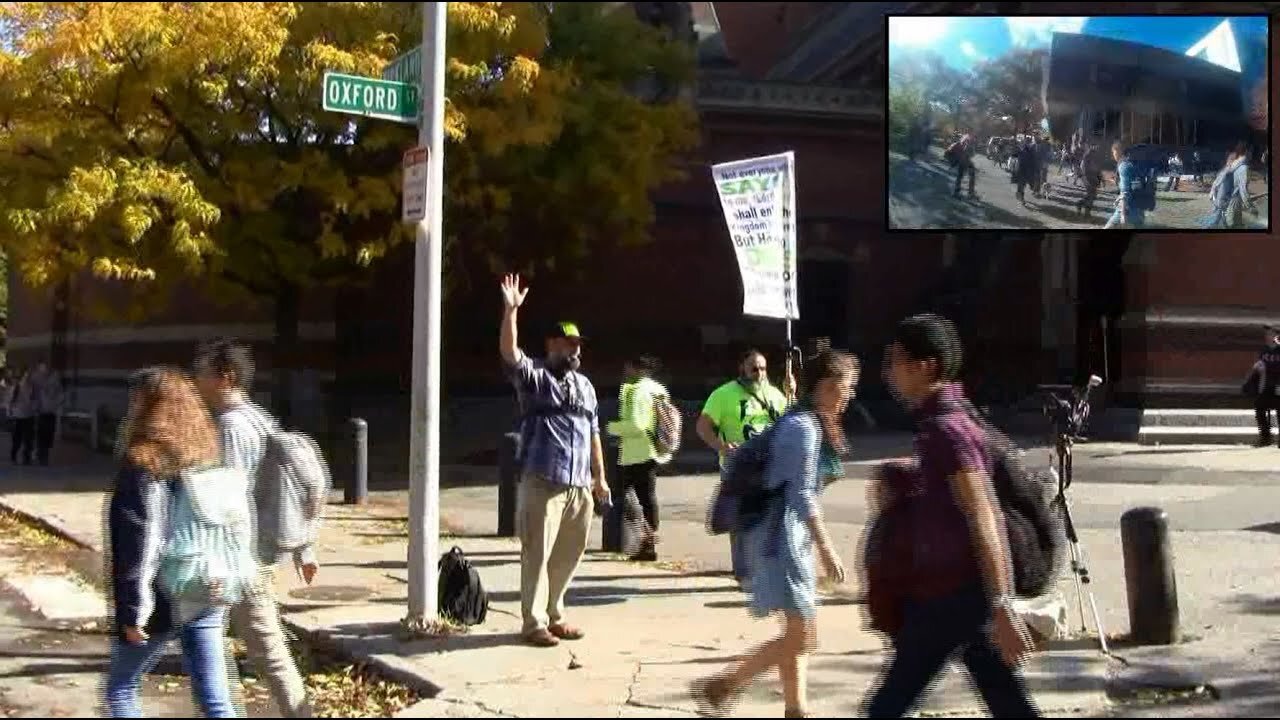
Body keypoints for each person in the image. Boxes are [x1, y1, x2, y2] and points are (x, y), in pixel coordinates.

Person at [863, 314, 1039, 719]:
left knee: (886, 707)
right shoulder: (941, 424)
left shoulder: (949, 428)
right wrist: (905, 480)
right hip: (955, 596)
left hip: (954, 595)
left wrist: (1002, 605)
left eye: (895, 361)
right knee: (1006, 702)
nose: (889, 374)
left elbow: (983, 513)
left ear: (924, 367)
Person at [693, 350, 857, 719]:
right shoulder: (804, 428)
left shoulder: (803, 422)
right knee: (803, 635)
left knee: (796, 632)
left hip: (781, 538)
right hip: (778, 541)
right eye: (846, 387)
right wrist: (827, 550)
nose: (849, 396)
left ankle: (795, 710)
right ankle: (724, 685)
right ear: (827, 385)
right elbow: (800, 494)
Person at [103, 367, 239, 718]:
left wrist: (135, 613)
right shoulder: (206, 456)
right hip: (207, 584)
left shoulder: (144, 464)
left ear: (147, 406)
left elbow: (142, 541)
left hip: (164, 594)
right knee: (215, 700)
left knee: (122, 690)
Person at [192, 338, 315, 717]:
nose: (197, 380)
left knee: (266, 649)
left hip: (240, 558)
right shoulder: (258, 418)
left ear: (225, 377)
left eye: (203, 373)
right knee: (210, 640)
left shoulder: (231, 425)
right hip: (252, 552)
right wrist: (303, 547)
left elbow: (229, 497)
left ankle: (299, 713)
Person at [499, 274, 611, 648]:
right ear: (552, 345)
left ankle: (555, 613)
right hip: (543, 480)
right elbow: (510, 355)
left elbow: (594, 431)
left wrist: (600, 477)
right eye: (567, 344)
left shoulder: (586, 386)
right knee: (537, 552)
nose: (574, 351)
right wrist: (511, 312)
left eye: (577, 345)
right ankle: (532, 623)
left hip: (579, 484)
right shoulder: (537, 377)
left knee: (568, 554)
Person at [696, 349, 793, 587]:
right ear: (743, 368)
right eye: (754, 368)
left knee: (770, 518)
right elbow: (703, 426)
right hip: (738, 465)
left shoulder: (776, 395)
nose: (759, 373)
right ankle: (745, 573)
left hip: (768, 465)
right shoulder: (724, 394)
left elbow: (791, 423)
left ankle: (766, 569)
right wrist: (720, 446)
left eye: (763, 368)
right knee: (741, 520)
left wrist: (793, 394)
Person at [606, 355, 673, 562]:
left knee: (624, 497)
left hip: (635, 452)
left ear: (633, 367)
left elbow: (636, 425)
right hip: (655, 450)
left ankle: (643, 542)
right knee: (647, 497)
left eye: (627, 366)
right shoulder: (659, 389)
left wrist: (611, 428)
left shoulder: (634, 390)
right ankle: (648, 543)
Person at [1204, 141, 1257, 229]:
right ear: (1247, 151)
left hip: (1220, 201)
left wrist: (1213, 193)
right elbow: (1243, 190)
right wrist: (1251, 207)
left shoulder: (1230, 165)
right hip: (1232, 203)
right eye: (1251, 151)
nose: (1252, 154)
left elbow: (1217, 182)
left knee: (1216, 225)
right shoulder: (1243, 168)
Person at [1246, 326, 1280, 447]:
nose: (1267, 337)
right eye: (1267, 335)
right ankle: (1266, 438)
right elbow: (1260, 366)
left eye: (1270, 334)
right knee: (1260, 409)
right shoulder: (1264, 351)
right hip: (1265, 386)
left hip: (1278, 386)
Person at [1104, 142, 1147, 229]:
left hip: (1126, 209)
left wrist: (1123, 215)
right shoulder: (1135, 165)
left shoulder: (1123, 166)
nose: (1113, 155)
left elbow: (1125, 192)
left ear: (1117, 151)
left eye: (1113, 152)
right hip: (1138, 210)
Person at [31, 360, 63, 466]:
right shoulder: (35, 379)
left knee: (49, 434)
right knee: (40, 435)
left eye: (45, 368)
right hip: (40, 412)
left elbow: (60, 392)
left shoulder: (54, 378)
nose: (44, 370)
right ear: (39, 368)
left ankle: (44, 454)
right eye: (42, 368)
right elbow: (32, 395)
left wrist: (57, 404)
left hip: (51, 411)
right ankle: (41, 456)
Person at [8, 367, 34, 465]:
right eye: (25, 376)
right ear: (22, 376)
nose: (27, 378)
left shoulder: (32, 387)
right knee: (17, 439)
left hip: (29, 415)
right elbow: (10, 401)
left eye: (28, 376)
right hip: (18, 416)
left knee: (28, 439)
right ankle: (14, 456)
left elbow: (34, 400)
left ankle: (26, 458)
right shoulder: (16, 387)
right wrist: (11, 411)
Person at [950, 134, 977, 199]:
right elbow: (971, 153)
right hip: (964, 160)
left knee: (960, 176)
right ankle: (970, 193)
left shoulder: (965, 138)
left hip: (961, 160)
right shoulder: (969, 141)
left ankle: (956, 192)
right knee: (971, 175)